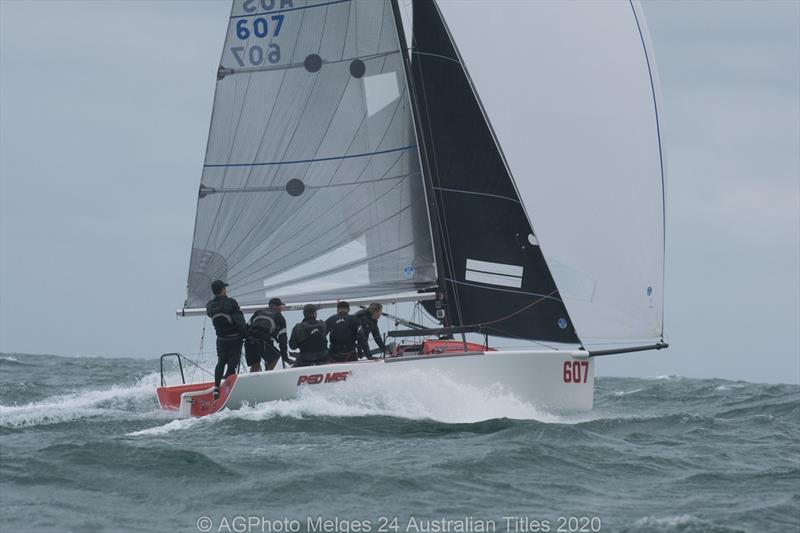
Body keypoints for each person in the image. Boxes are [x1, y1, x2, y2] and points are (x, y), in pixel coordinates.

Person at [206, 280, 247, 399]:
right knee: (232, 363)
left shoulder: (209, 305)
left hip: (221, 338)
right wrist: (246, 334)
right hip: (235, 338)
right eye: (224, 288)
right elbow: (239, 320)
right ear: (223, 289)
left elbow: (210, 314)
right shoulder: (231, 302)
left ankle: (216, 387)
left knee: (221, 361)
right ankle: (227, 385)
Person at [244, 297, 291, 372]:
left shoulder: (258, 312)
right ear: (273, 306)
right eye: (279, 306)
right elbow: (283, 339)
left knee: (255, 364)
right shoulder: (280, 317)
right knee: (276, 356)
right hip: (263, 343)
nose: (281, 308)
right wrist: (285, 357)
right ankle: (267, 374)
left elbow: (246, 328)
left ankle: (253, 379)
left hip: (249, 342)